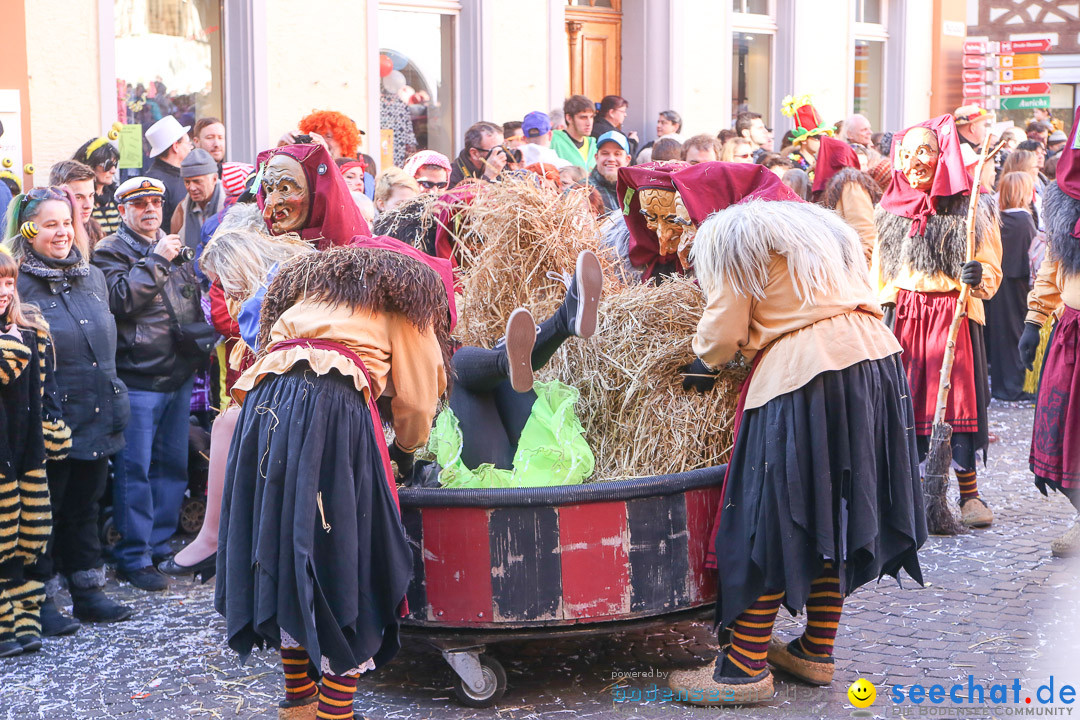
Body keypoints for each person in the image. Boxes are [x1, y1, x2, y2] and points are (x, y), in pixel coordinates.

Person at [667, 192, 924, 705]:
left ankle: (743, 671)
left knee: (772, 516)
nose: (671, 227)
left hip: (808, 373)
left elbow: (724, 327)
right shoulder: (821, 225)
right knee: (835, 511)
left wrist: (702, 364)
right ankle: (815, 650)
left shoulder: (730, 232)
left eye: (675, 214)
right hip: (877, 360)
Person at [216, 243, 452, 720]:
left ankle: (299, 705)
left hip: (263, 411)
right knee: (348, 555)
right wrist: (406, 452)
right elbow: (420, 397)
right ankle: (333, 714)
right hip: (332, 411)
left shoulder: (313, 295)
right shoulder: (408, 300)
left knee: (284, 549)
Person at [8, 187, 133, 631]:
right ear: (28, 229)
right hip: (47, 423)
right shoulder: (15, 284)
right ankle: (37, 602)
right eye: (50, 224)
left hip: (97, 412)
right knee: (43, 515)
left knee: (85, 505)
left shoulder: (91, 275)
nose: (62, 232)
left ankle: (87, 592)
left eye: (67, 222)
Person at [872, 114, 1002, 530]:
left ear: (941, 154)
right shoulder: (890, 210)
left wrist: (978, 275)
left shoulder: (972, 206)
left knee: (959, 403)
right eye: (907, 153)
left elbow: (992, 270)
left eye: (925, 151)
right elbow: (879, 277)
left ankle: (969, 494)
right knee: (907, 402)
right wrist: (875, 318)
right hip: (906, 318)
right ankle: (908, 493)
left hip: (956, 317)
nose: (915, 161)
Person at [92, 177, 208, 591]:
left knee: (171, 469)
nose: (150, 210)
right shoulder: (110, 250)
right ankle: (133, 556)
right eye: (139, 204)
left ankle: (159, 546)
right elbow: (119, 299)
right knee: (134, 471)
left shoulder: (170, 244)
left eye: (155, 202)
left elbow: (189, 302)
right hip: (138, 378)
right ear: (123, 210)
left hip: (177, 375)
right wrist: (157, 259)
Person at [1022, 109, 1080, 557]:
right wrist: (1034, 320)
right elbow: (1052, 264)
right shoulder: (1065, 199)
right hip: (1072, 333)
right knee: (1060, 431)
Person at [0, 250, 57, 658]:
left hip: (26, 452)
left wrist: (53, 429)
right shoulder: (15, 342)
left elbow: (44, 392)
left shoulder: (29, 331)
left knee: (30, 534)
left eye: (8, 282)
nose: (4, 291)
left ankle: (26, 616)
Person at [986, 172, 1037, 402]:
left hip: (998, 284)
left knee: (1001, 335)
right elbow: (1031, 257)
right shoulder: (1023, 220)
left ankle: (1003, 385)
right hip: (1016, 285)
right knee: (1017, 333)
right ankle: (1014, 386)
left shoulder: (998, 217)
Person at [812, 136, 881, 263]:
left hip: (853, 269)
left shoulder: (850, 184)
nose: (813, 164)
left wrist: (858, 269)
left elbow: (865, 233)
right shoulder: (835, 187)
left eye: (818, 159)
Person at [171, 149, 224, 253]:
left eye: (197, 181)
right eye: (187, 182)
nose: (191, 188)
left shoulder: (229, 206)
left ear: (214, 179)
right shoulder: (182, 208)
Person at [144, 115, 193, 229]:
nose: (191, 147)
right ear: (175, 146)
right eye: (187, 143)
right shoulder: (155, 183)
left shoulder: (182, 174)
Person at [73, 135, 122, 236]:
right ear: (90, 165)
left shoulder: (116, 196)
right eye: (108, 165)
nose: (113, 171)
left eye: (115, 164)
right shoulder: (81, 201)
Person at [49, 160, 102, 246]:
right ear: (57, 195)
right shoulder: (49, 235)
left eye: (91, 195)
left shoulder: (94, 231)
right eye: (78, 197)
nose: (88, 205)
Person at [449, 122, 507, 188]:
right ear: (474, 153)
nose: (502, 154)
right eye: (495, 150)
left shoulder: (503, 166)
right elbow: (467, 197)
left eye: (503, 147)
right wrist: (488, 177)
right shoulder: (451, 176)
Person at [551, 95, 598, 170]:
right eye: (583, 117)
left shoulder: (593, 144)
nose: (589, 123)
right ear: (569, 118)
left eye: (591, 117)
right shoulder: (553, 140)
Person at [589, 131, 631, 214]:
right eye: (605, 153)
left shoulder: (636, 191)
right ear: (597, 157)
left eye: (617, 154)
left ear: (627, 159)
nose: (611, 159)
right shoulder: (584, 190)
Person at [299, 110, 364, 162]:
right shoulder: (307, 169)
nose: (321, 140)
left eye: (328, 136)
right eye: (317, 135)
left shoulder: (354, 172)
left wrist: (327, 155)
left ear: (344, 142)